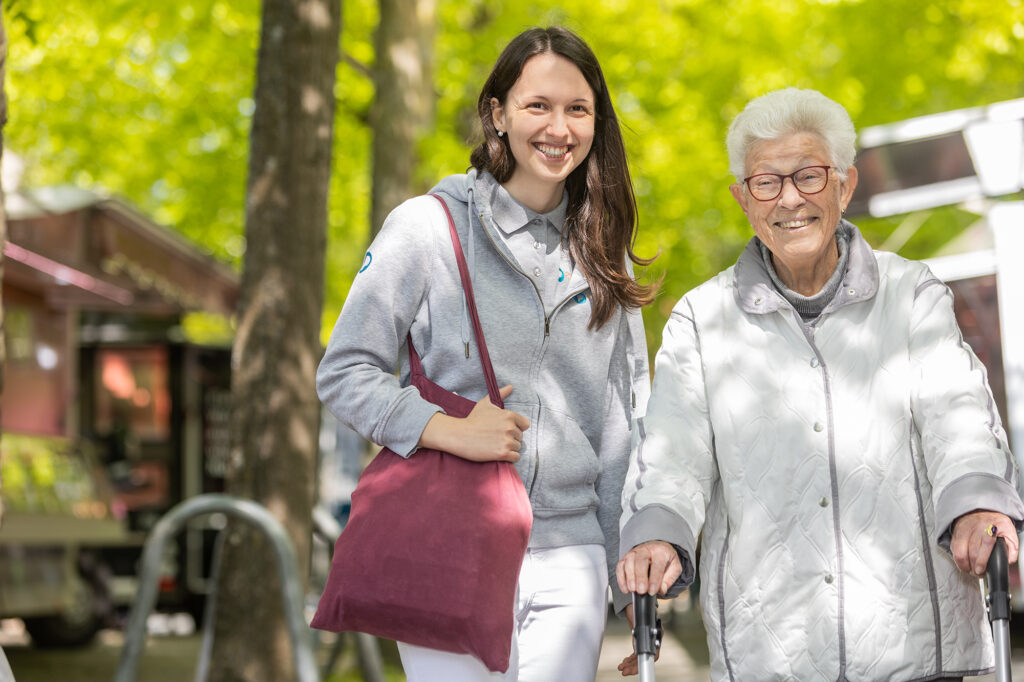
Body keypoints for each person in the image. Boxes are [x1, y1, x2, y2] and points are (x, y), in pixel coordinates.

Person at [616, 87, 1024, 681]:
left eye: (809, 176)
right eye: (766, 182)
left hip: (914, 648)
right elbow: (670, 456)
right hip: (771, 652)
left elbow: (959, 417)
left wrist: (976, 503)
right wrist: (656, 533)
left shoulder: (911, 294)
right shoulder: (702, 320)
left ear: (845, 186)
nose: (789, 199)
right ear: (742, 199)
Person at [316, 26, 654, 682]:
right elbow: (344, 370)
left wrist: (630, 590)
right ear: (497, 113)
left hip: (573, 558)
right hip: (451, 542)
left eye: (577, 109)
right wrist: (447, 429)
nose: (558, 128)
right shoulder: (426, 227)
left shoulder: (604, 250)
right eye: (537, 106)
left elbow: (621, 428)